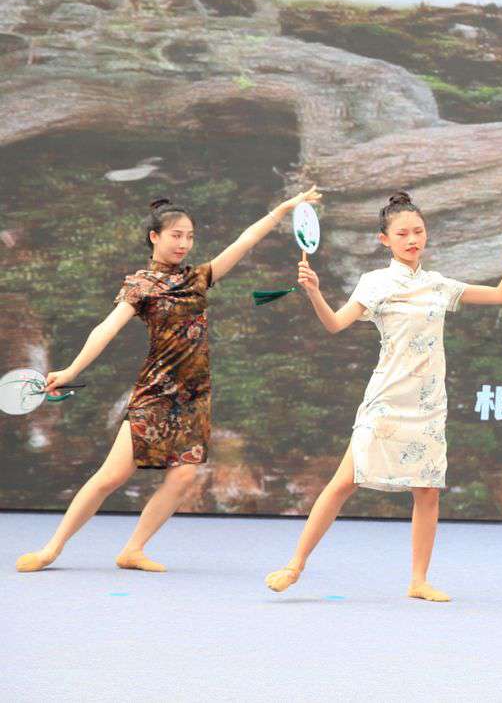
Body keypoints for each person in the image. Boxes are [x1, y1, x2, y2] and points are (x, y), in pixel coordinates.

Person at [17, 187, 322, 573]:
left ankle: (133, 550)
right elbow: (106, 329)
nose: (184, 244)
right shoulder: (141, 285)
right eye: (176, 235)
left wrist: (284, 208)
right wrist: (71, 371)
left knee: (183, 478)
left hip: (194, 398)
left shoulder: (199, 277)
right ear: (154, 237)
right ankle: (52, 548)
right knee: (111, 476)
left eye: (189, 236)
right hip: (156, 393)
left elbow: (245, 240)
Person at [264, 192, 502, 602]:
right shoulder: (375, 283)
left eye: (418, 231)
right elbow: (335, 324)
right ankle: (295, 565)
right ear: (384, 239)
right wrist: (315, 292)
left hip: (427, 404)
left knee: (427, 491)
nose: (412, 239)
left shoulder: (438, 285)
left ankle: (418, 581)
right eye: (403, 233)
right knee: (343, 482)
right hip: (386, 400)